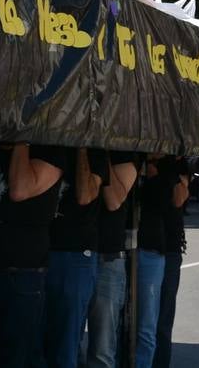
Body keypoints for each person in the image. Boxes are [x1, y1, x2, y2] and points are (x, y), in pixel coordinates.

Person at [0, 143, 68, 368]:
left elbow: (20, 189)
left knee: (18, 355)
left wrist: (23, 141)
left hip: (23, 273)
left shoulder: (52, 151)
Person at [43, 148, 108, 368]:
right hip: (41, 251)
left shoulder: (96, 154)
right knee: (41, 341)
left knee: (65, 344)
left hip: (75, 254)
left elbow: (85, 195)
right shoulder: (46, 141)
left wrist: (81, 147)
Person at [83, 152, 138, 368]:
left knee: (102, 349)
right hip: (74, 251)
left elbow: (114, 200)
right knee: (67, 342)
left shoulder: (125, 155)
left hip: (108, 255)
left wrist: (101, 155)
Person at [151, 159, 190, 368]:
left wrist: (168, 174)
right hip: (139, 244)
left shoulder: (179, 165)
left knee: (163, 316)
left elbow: (178, 200)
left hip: (169, 247)